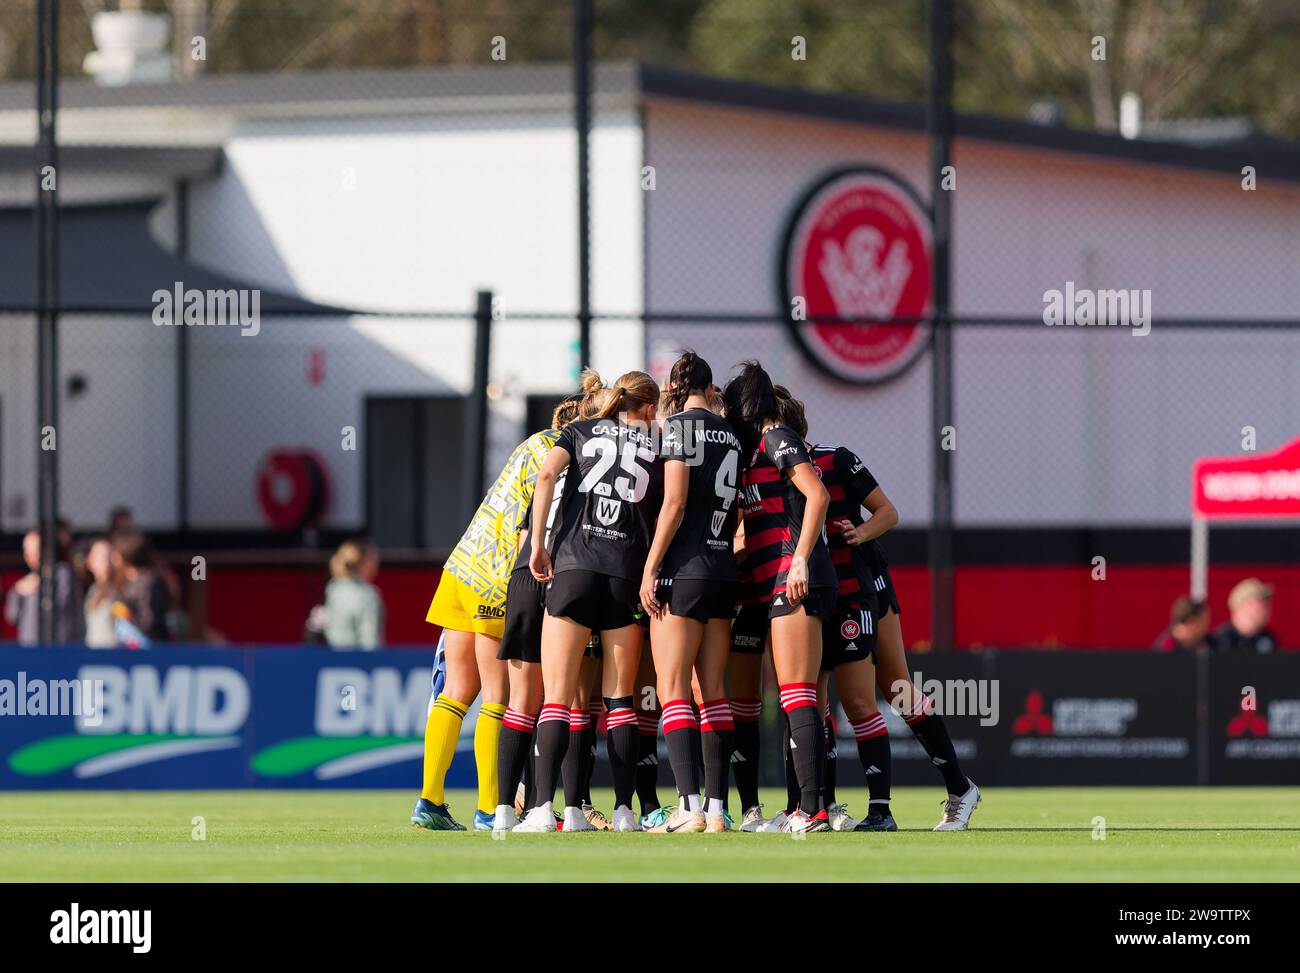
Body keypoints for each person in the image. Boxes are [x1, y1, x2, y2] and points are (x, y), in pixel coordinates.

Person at [412, 400, 581, 833]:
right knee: (498, 696)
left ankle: (429, 801)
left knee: (455, 689)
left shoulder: (530, 444)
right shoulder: (562, 454)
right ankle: (490, 807)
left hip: (461, 565)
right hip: (494, 572)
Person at [515, 370, 662, 833]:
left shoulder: (576, 430)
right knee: (620, 702)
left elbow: (545, 475)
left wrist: (537, 543)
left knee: (557, 699)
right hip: (626, 573)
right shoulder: (654, 445)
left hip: (574, 567)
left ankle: (544, 810)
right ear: (648, 408)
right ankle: (623, 812)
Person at [723, 361, 835, 834]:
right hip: (771, 584)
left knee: (797, 694)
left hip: (796, 579)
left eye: (732, 405)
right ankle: (800, 808)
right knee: (789, 697)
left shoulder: (775, 436)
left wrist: (801, 559)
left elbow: (818, 495)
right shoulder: (753, 453)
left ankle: (813, 810)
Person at [639, 351, 743, 833]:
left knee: (674, 687)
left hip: (685, 568)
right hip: (724, 568)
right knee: (714, 691)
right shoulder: (732, 434)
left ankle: (687, 807)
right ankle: (718, 809)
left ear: (678, 385)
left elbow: (675, 502)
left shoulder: (679, 427)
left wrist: (651, 564)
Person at [490, 392, 594, 832]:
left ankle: (504, 811)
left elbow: (520, 536)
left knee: (520, 702)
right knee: (566, 700)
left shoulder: (540, 463)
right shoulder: (593, 457)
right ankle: (566, 809)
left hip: (524, 575)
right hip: (566, 572)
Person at [4, 529, 85, 645]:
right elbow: (12, 616)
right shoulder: (25, 582)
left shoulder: (63, 573)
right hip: (30, 647)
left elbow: (60, 605)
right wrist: (17, 591)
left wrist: (41, 587)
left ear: (47, 549)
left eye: (35, 550)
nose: (30, 556)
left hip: (60, 646)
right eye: (27, 551)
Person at [110, 530, 172, 643]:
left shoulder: (147, 582)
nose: (113, 558)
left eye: (116, 553)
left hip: (148, 647)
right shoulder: (125, 582)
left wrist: (127, 614)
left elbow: (149, 621)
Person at [323, 539, 384, 649]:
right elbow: (370, 642)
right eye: (374, 560)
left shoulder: (332, 589)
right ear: (364, 562)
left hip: (331, 660)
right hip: (358, 662)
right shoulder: (368, 595)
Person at [1211, 579, 1278, 654]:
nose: (1267, 607)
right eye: (1261, 602)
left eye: (1267, 602)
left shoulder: (1267, 638)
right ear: (1243, 605)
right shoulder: (1221, 641)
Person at [83, 536, 121, 648]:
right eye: (100, 557)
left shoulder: (121, 590)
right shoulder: (92, 591)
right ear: (89, 561)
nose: (106, 562)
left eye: (109, 556)